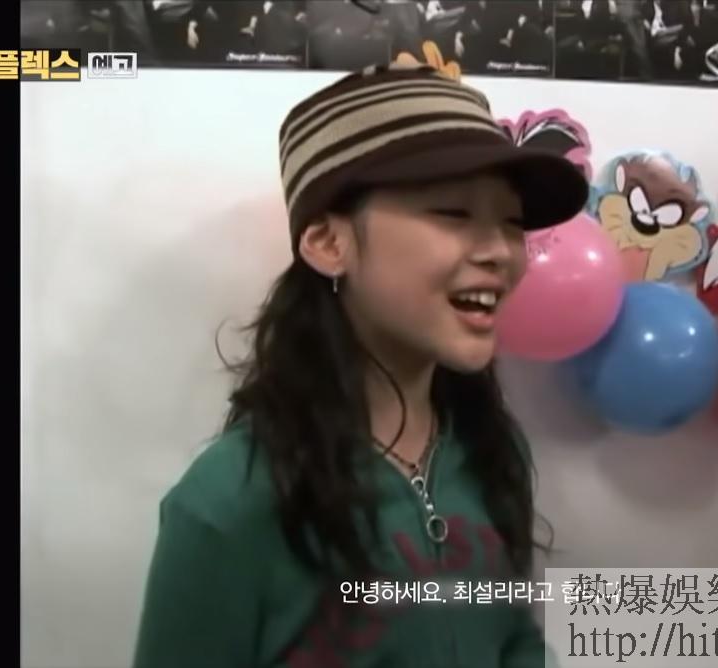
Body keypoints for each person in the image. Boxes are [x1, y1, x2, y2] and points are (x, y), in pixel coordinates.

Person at [131, 62, 590, 667]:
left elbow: (511, 638)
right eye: (453, 213)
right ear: (328, 243)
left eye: (510, 223)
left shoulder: (488, 450)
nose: (500, 252)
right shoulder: (227, 502)